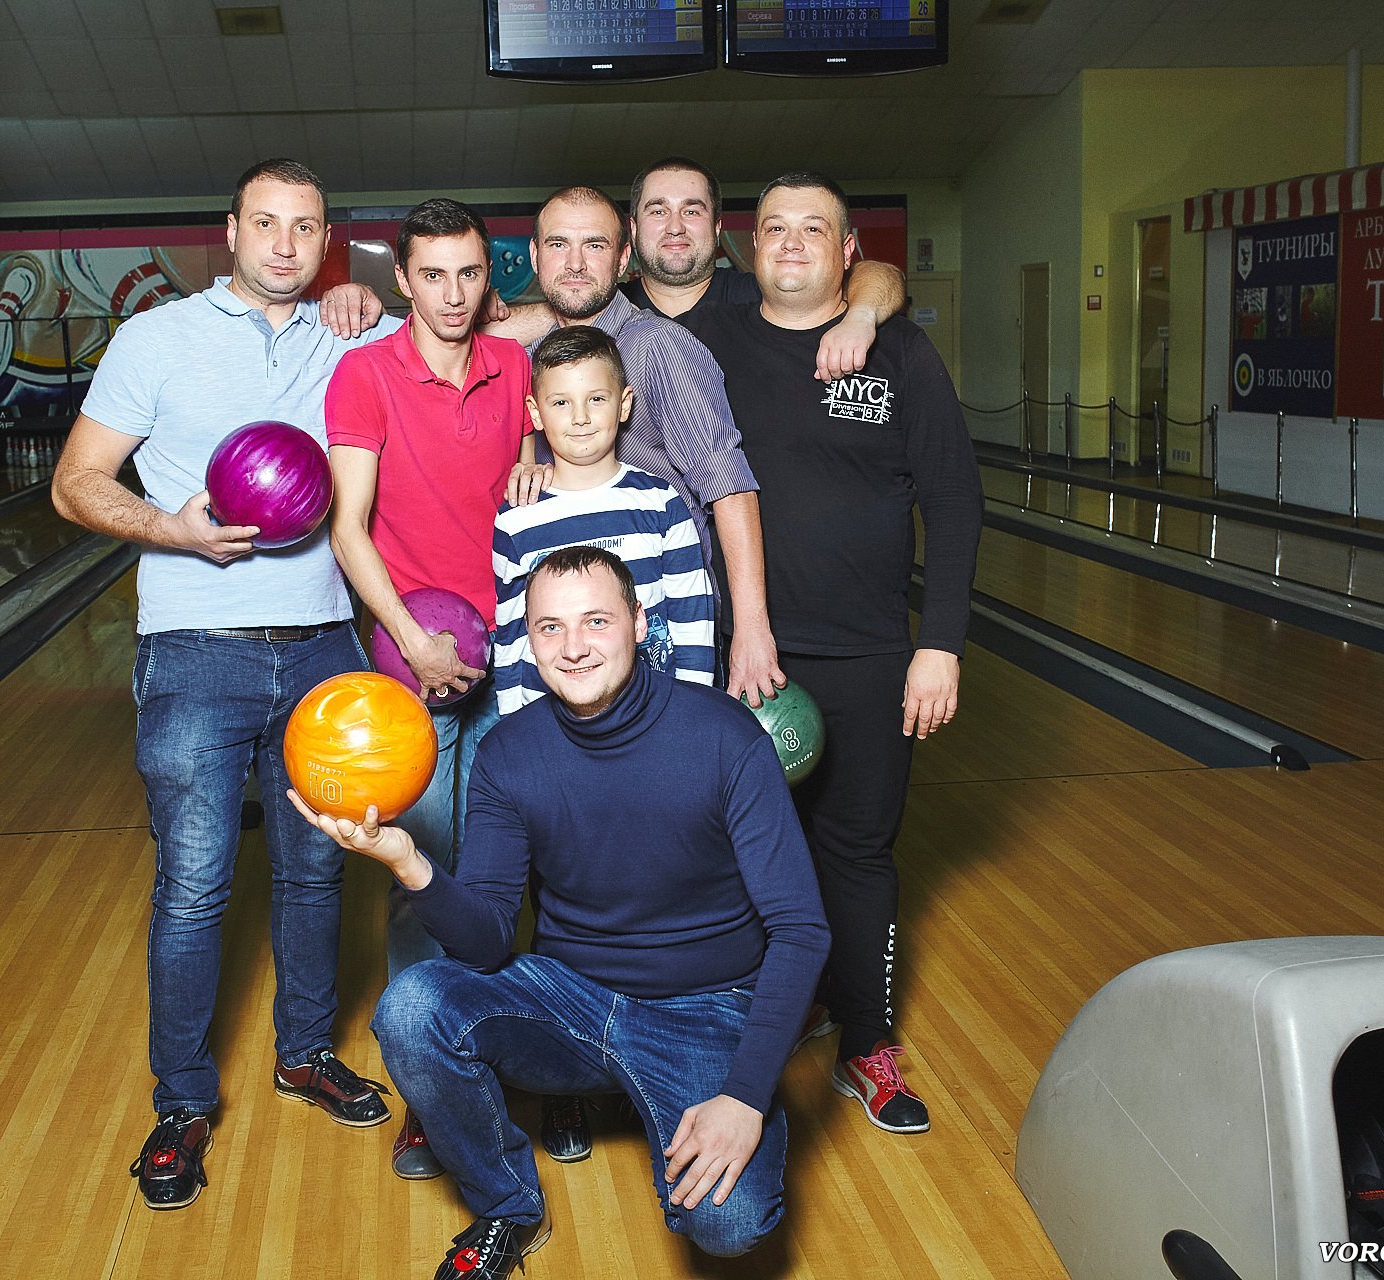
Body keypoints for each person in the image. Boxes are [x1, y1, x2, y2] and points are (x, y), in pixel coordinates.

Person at [290, 547, 829, 1280]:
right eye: (551, 627)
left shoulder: (725, 738)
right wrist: (407, 860)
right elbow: (485, 942)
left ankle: (681, 1094)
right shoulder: (511, 754)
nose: (573, 647)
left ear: (639, 623)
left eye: (596, 621)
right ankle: (509, 1207)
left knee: (729, 1227)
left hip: (704, 1010)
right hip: (572, 1002)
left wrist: (745, 1095)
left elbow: (801, 929)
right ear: (529, 639)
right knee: (413, 1007)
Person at [50, 158, 403, 1212]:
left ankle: (305, 1052)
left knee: (315, 872)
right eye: (266, 223)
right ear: (232, 230)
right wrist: (174, 530)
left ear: (327, 239)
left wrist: (367, 297)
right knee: (196, 885)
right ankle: (183, 1101)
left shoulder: (355, 333)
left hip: (324, 644)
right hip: (196, 647)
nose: (285, 245)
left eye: (306, 227)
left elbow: (488, 323)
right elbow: (75, 483)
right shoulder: (155, 338)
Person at [675, 171, 983, 1136]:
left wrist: (939, 645)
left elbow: (955, 500)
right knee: (732, 852)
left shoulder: (898, 350)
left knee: (857, 850)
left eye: (816, 229)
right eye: (775, 227)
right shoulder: (708, 342)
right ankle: (741, 1023)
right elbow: (581, 333)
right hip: (741, 651)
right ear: (750, 246)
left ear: (849, 252)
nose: (793, 243)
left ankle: (866, 1041)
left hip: (868, 654)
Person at [323, 197, 537, 1180]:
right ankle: (429, 1090)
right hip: (414, 659)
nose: (452, 294)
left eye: (469, 273)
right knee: (426, 872)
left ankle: (502, 1059)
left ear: (488, 278)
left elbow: (523, 474)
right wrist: (413, 642)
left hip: (514, 652)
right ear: (402, 280)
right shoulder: (365, 374)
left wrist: (531, 463)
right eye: (433, 275)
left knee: (506, 869)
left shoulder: (513, 366)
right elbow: (348, 527)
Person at [491, 186, 783, 706]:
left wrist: (751, 629)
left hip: (661, 640)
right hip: (563, 656)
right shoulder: (529, 357)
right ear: (534, 256)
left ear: (624, 256)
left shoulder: (659, 346)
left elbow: (728, 486)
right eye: (558, 244)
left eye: (595, 245)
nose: (575, 263)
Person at [492, 325, 715, 718]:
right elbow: (511, 634)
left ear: (623, 404)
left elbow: (692, 617)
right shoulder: (516, 519)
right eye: (561, 403)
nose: (580, 418)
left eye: (596, 399)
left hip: (651, 714)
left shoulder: (660, 503)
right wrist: (512, 725)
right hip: (549, 721)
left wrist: (691, 713)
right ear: (535, 413)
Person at [622, 156, 907, 383]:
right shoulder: (610, 311)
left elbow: (882, 275)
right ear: (633, 229)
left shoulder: (765, 297)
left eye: (692, 211)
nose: (675, 227)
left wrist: (860, 317)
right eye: (658, 211)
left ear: (717, 227)